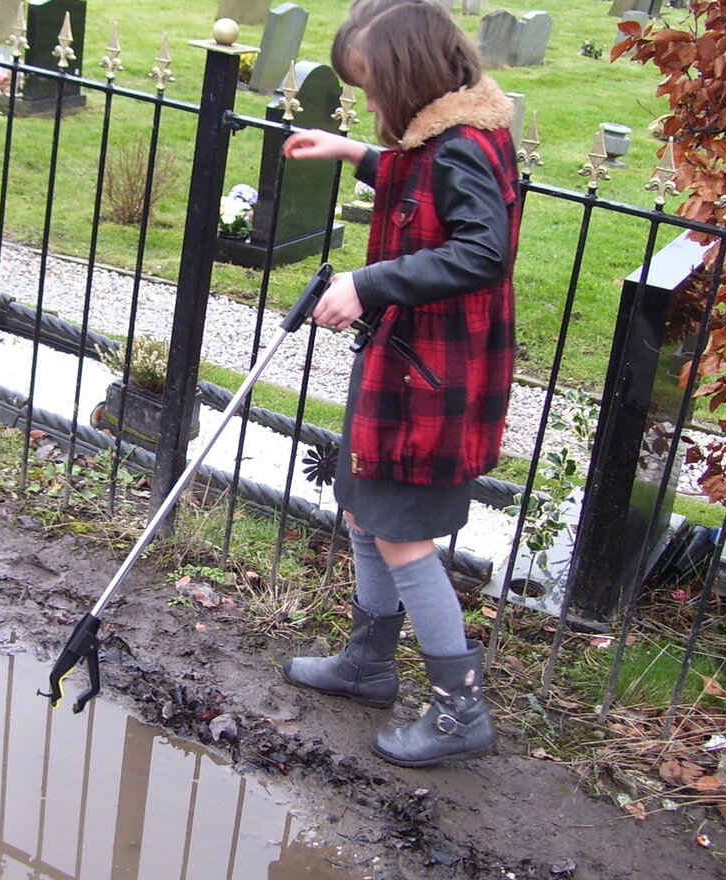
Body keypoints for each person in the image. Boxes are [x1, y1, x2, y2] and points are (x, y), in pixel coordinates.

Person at [280, 0, 519, 767]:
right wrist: (353, 151)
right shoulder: (442, 137)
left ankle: (459, 713)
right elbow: (419, 181)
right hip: (405, 365)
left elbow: (483, 251)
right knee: (365, 510)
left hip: (432, 378)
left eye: (373, 89)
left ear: (408, 79)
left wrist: (370, 281)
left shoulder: (464, 147)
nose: (373, 104)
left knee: (404, 536)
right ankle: (369, 664)